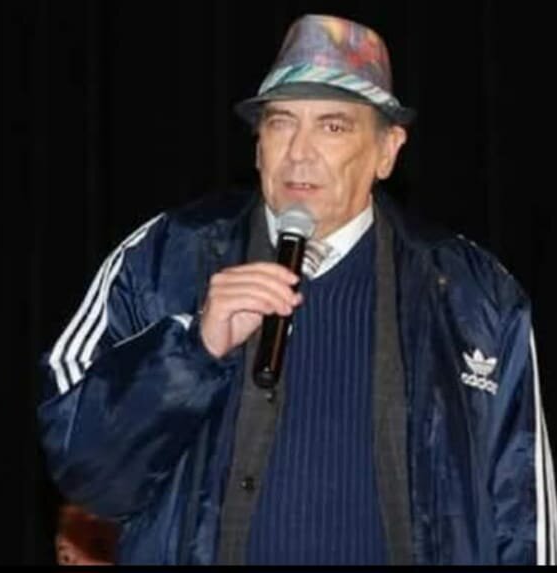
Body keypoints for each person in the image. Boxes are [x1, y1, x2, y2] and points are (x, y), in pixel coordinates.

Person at [38, 14, 557, 565]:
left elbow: (523, 512)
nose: (299, 152)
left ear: (387, 150)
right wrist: (192, 351)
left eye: (333, 126)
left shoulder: (473, 292)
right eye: (281, 123)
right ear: (258, 145)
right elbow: (83, 469)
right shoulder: (164, 257)